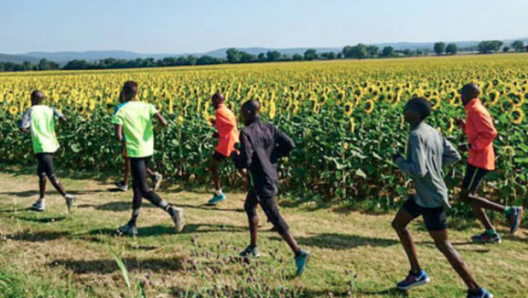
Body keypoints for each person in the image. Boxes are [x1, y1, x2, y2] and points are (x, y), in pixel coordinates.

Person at [391, 98, 492, 298]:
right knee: (399, 224)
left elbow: (418, 170)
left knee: (443, 245)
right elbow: (455, 156)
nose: (404, 110)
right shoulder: (432, 131)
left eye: (407, 107)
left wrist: (400, 161)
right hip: (424, 194)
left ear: (417, 113)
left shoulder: (415, 135)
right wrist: (434, 165)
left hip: (431, 198)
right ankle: (416, 272)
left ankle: (477, 290)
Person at [234, 99, 310, 276]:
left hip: (261, 180)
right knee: (249, 206)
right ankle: (253, 247)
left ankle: (299, 253)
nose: (240, 116)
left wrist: (235, 156)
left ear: (247, 113)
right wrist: (272, 157)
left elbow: (247, 160)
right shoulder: (270, 128)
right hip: (268, 175)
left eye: (242, 113)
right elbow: (289, 144)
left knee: (274, 216)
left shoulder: (245, 132)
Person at [111, 81, 184, 236]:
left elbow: (118, 137)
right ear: (136, 93)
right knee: (137, 188)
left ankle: (172, 211)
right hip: (147, 149)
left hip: (135, 151)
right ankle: (132, 224)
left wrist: (128, 139)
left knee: (143, 189)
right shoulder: (147, 106)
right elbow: (163, 122)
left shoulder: (121, 111)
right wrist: (151, 131)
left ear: (124, 93)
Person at [456, 83, 523, 244]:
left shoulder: (476, 110)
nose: (460, 97)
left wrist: (470, 146)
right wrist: (464, 127)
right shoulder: (474, 109)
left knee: (467, 196)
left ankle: (509, 211)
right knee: (470, 197)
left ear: (470, 95)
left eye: (463, 94)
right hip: (477, 157)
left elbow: (490, 133)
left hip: (479, 159)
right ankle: (490, 232)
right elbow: (477, 131)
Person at [18, 91, 76, 212]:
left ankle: (67, 196)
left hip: (40, 145)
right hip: (51, 143)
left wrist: (23, 127)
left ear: (32, 99)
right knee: (42, 172)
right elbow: (63, 118)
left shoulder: (31, 110)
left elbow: (23, 127)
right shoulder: (50, 109)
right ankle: (41, 201)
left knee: (50, 174)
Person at [113, 93, 163, 192]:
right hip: (143, 141)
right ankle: (127, 182)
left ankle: (128, 184)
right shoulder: (144, 106)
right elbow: (163, 122)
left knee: (131, 162)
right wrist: (153, 130)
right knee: (132, 163)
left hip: (129, 139)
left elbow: (118, 132)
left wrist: (123, 140)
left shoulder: (119, 109)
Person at [208, 92, 248, 205]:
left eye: (213, 101)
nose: (212, 104)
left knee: (213, 166)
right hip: (232, 141)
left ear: (216, 101)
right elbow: (228, 124)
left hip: (227, 144)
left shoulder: (220, 111)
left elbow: (229, 125)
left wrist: (220, 133)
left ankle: (219, 193)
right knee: (241, 169)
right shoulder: (227, 110)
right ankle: (256, 194)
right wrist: (217, 127)